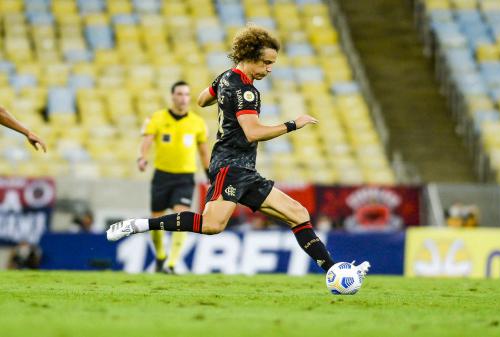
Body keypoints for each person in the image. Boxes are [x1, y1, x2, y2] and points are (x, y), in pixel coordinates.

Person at [107, 25, 370, 276]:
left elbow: (201, 100)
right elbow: (253, 132)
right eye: (266, 63)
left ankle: (334, 271)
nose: (269, 70)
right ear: (249, 57)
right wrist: (292, 124)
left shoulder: (226, 77)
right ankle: (139, 224)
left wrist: (223, 97)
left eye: (272, 64)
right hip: (230, 167)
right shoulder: (246, 91)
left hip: (244, 169)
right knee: (212, 225)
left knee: (298, 214)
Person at [138, 81, 210, 273]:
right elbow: (147, 141)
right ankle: (161, 255)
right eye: (179, 94)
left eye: (187, 94)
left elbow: (204, 152)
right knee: (156, 219)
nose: (183, 98)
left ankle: (171, 263)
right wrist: (142, 158)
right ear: (172, 96)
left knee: (181, 216)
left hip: (185, 177)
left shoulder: (197, 123)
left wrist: (209, 173)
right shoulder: (157, 118)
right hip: (162, 176)